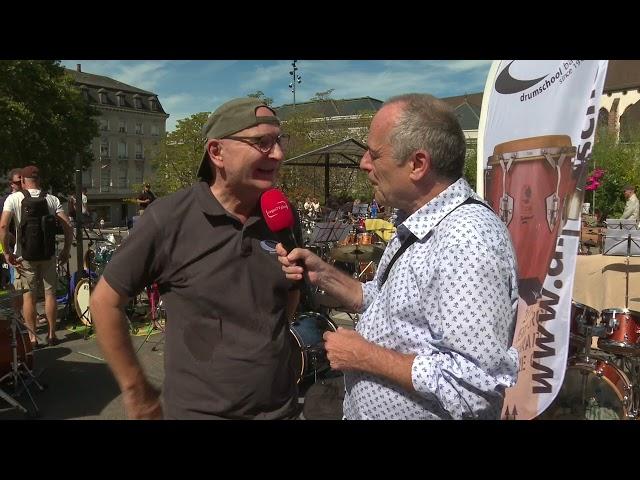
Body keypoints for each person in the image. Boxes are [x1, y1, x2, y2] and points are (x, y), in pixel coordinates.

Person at [277, 93, 519, 419]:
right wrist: (323, 274)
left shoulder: (466, 241)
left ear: (418, 164)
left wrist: (363, 356)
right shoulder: (417, 223)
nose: (364, 163)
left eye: (374, 154)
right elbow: (384, 302)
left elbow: (472, 386)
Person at [90, 97, 301, 420]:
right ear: (217, 152)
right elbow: (105, 302)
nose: (278, 154)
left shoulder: (282, 214)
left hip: (281, 410)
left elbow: (288, 295)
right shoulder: (168, 218)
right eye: (262, 142)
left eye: (278, 141)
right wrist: (136, 390)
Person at [0, 165, 73, 348]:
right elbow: (68, 226)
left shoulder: (13, 199)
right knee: (50, 294)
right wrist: (65, 250)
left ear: (23, 181)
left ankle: (33, 338)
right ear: (39, 180)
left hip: (24, 256)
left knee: (28, 297)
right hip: (48, 254)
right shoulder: (51, 199)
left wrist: (7, 252)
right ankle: (51, 335)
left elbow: (2, 227)